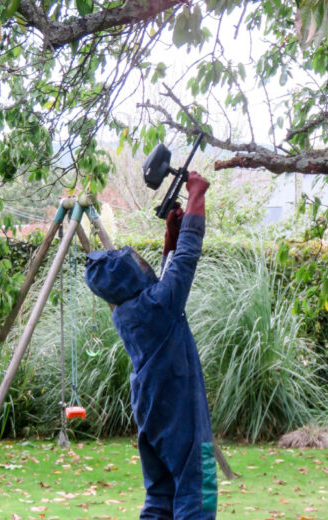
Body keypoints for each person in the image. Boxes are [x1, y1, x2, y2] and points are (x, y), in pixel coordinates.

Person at [85, 171, 216, 519]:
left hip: (151, 409)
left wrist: (170, 234)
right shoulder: (158, 306)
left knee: (160, 495)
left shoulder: (132, 309)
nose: (140, 260)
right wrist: (197, 196)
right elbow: (185, 261)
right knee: (196, 489)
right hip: (177, 409)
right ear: (130, 276)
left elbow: (168, 275)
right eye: (134, 261)